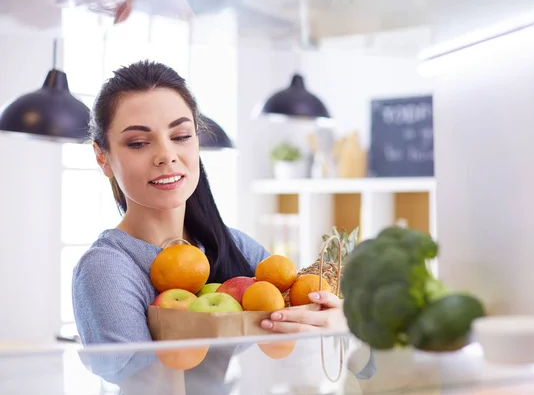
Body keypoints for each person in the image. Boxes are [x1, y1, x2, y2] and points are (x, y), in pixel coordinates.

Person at [71, 60, 372, 387]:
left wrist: (337, 319)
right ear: (102, 157)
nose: (166, 155)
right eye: (139, 143)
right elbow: (140, 382)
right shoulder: (106, 268)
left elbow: (300, 342)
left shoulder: (235, 247)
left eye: (181, 135)